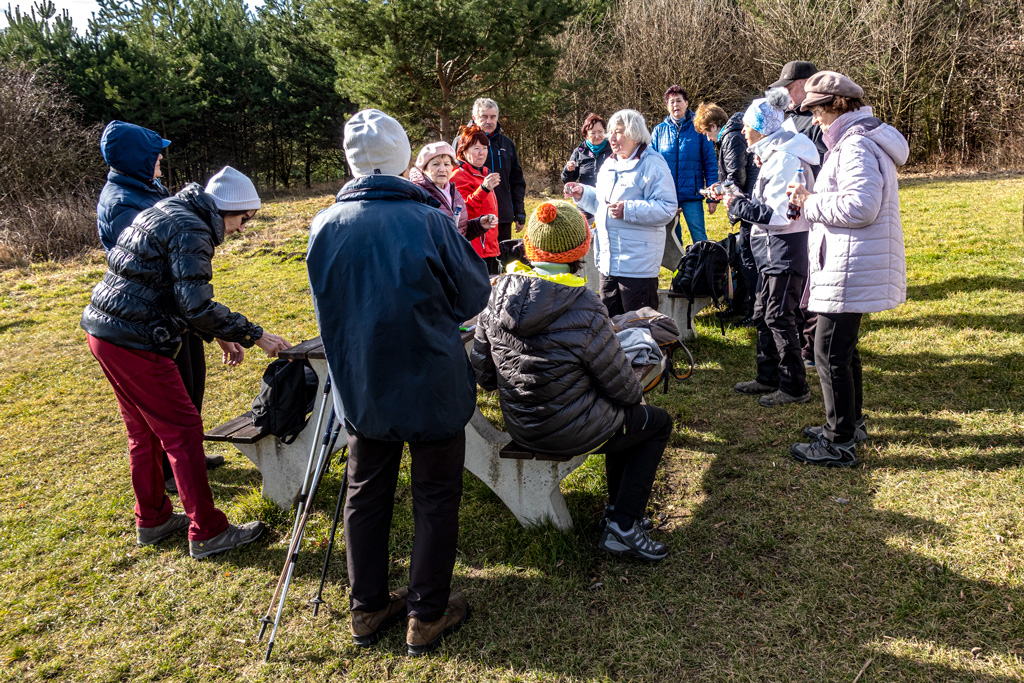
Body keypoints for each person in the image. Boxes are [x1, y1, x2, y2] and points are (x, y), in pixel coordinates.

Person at [306, 110, 491, 655]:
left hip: (362, 381)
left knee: (367, 492)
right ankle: (425, 613)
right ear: (400, 159)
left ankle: (367, 608)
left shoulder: (325, 224)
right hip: (429, 375)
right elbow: (473, 295)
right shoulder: (429, 220)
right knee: (434, 494)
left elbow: (325, 305)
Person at [81, 166, 292, 559]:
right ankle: (208, 530)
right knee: (182, 431)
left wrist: (219, 332)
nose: (242, 229)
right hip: (136, 342)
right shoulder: (192, 230)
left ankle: (153, 519)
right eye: (244, 219)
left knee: (144, 434)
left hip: (106, 333)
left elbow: (170, 293)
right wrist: (255, 334)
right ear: (228, 209)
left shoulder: (171, 211)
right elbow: (195, 305)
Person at [471, 199, 672, 562]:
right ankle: (624, 525)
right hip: (569, 429)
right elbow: (624, 388)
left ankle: (618, 512)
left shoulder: (496, 295)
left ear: (531, 246)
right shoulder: (584, 304)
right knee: (653, 422)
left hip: (522, 424)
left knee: (628, 419)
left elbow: (484, 377)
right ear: (581, 250)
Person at [96, 121, 235, 492]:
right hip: (151, 315)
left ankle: (187, 453)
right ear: (136, 158)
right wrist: (209, 321)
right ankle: (175, 465)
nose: (160, 156)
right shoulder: (122, 202)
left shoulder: (147, 188)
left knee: (192, 381)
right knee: (170, 402)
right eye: (154, 151)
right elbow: (152, 266)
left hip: (176, 311)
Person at [785, 72, 908, 467]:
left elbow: (860, 206)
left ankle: (838, 441)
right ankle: (851, 423)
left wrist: (810, 202)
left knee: (828, 351)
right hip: (848, 259)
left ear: (837, 105)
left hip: (850, 263)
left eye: (817, 111)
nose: (814, 119)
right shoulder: (859, 140)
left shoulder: (854, 146)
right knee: (841, 349)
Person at [723, 89, 820, 408]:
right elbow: (767, 204)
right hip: (769, 250)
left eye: (747, 126)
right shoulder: (774, 156)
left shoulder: (785, 159)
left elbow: (779, 215)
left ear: (762, 129)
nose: (742, 132)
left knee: (779, 316)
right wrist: (739, 201)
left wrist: (738, 205)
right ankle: (768, 376)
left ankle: (794, 387)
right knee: (763, 314)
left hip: (784, 249)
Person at [564, 109, 677, 317]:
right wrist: (583, 194)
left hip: (637, 266)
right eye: (611, 132)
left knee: (639, 327)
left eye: (618, 132)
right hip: (608, 263)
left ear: (634, 134)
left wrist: (629, 209)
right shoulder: (610, 163)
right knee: (611, 326)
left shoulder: (652, 163)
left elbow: (667, 208)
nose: (611, 138)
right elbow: (602, 204)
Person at [772, 60, 830, 368]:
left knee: (812, 282)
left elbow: (823, 161)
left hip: (817, 206)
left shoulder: (820, 120)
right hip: (794, 208)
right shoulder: (789, 119)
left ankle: (810, 348)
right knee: (799, 284)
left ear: (807, 83)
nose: (786, 93)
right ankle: (801, 341)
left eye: (790, 87)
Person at [694, 103, 759, 325]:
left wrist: (718, 190)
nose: (708, 139)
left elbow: (736, 178)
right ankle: (741, 305)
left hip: (748, 205)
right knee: (741, 258)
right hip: (744, 204)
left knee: (748, 260)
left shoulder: (731, 138)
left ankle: (754, 312)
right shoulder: (731, 137)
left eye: (706, 133)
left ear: (713, 125)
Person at [650, 86, 718, 247]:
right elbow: (651, 165)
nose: (675, 105)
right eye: (671, 102)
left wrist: (712, 197)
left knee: (699, 236)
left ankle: (704, 268)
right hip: (667, 196)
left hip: (692, 194)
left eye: (679, 101)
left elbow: (710, 163)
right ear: (667, 105)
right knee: (673, 240)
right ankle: (681, 271)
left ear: (687, 103)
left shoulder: (699, 128)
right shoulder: (659, 131)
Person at [454, 98, 527, 245]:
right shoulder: (461, 141)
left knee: (504, 261)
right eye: (484, 117)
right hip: (475, 219)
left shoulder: (507, 143)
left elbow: (517, 181)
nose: (489, 121)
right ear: (474, 118)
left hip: (503, 214)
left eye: (493, 117)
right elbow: (455, 179)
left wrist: (519, 212)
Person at [409, 141, 498, 241]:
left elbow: (459, 231)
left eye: (447, 164)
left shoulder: (454, 193)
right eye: (435, 164)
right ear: (424, 169)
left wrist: (479, 224)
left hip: (454, 255)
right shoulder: (418, 196)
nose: (442, 169)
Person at [450, 125, 502, 273]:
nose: (481, 153)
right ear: (463, 151)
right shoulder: (457, 176)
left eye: (484, 148)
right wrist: (484, 189)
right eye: (476, 148)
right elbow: (462, 212)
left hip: (490, 248)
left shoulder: (483, 174)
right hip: (473, 250)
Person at [560, 113, 612, 221]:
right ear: (586, 134)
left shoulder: (613, 150)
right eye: (593, 133)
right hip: (585, 204)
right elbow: (568, 181)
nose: (597, 136)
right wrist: (568, 170)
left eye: (600, 132)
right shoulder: (579, 152)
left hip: (608, 204)